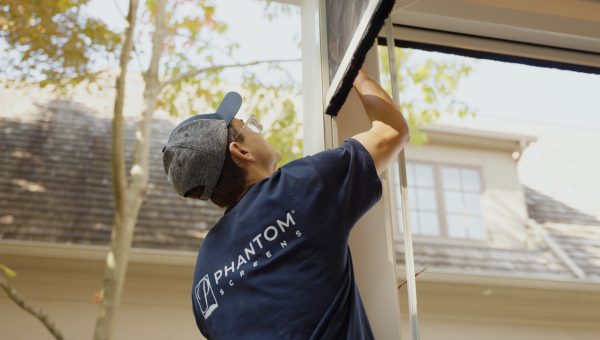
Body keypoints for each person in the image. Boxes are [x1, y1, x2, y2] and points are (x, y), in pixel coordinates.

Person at [162, 67, 410, 339]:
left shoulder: (203, 279)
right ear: (241, 151)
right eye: (248, 126)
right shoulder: (298, 187)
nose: (259, 131)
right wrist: (356, 70)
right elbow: (391, 132)